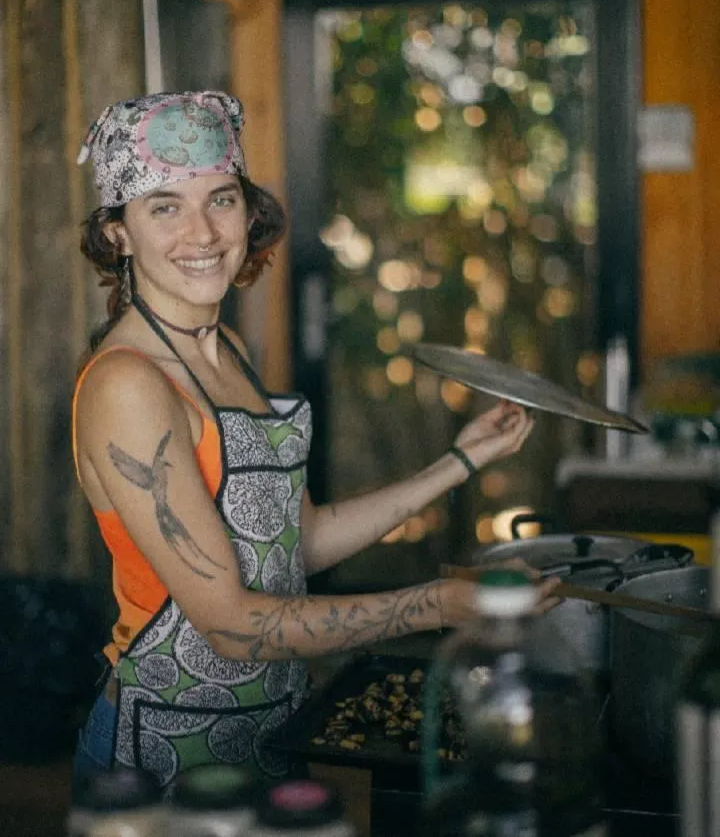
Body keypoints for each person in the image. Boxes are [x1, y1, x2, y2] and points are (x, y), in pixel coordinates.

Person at [71, 90, 558, 792]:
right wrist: (438, 606)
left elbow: (301, 542)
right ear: (119, 233)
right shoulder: (129, 384)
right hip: (158, 760)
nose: (203, 233)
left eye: (222, 198)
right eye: (165, 206)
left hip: (270, 734)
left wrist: (460, 462)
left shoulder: (224, 350)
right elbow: (231, 627)